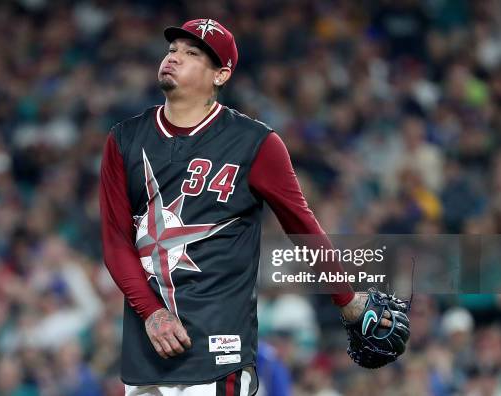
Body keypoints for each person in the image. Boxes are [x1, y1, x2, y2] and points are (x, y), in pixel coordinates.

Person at [100, 18, 386, 396]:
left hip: (222, 353)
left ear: (221, 74)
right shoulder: (124, 139)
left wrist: (347, 299)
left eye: (192, 53)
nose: (174, 57)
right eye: (172, 50)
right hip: (148, 352)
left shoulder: (255, 143)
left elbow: (303, 228)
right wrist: (152, 312)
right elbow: (116, 242)